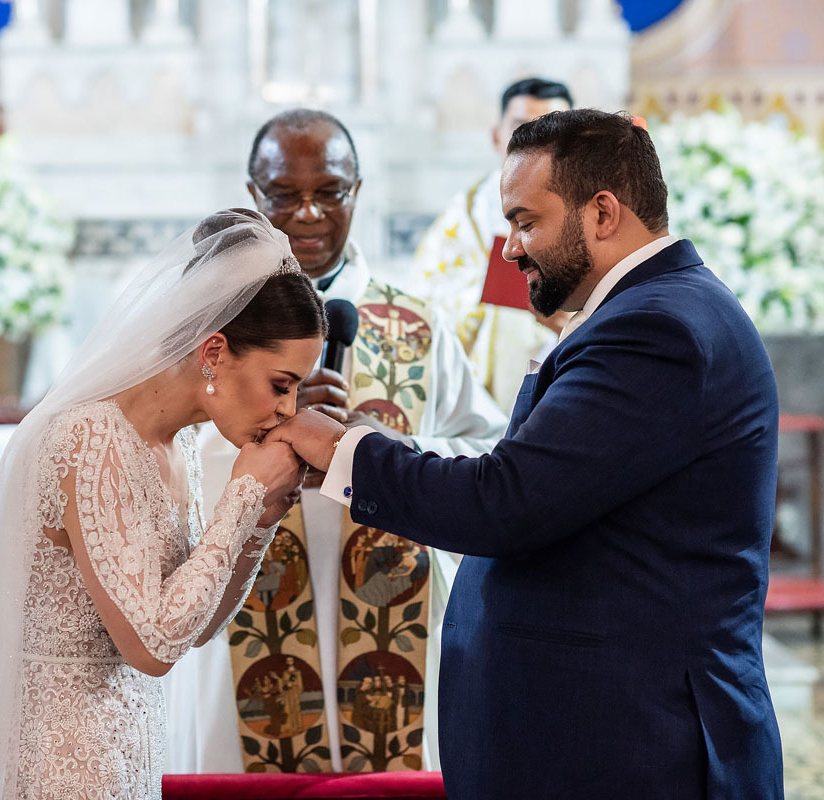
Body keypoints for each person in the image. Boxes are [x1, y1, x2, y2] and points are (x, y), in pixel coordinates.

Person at [270, 110, 785, 798]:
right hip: (603, 734)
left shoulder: (657, 329)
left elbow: (503, 501)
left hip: (633, 744)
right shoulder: (649, 313)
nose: (510, 249)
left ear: (602, 212)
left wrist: (341, 449)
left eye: (526, 221)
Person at [0, 209, 326, 799]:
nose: (288, 409)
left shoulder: (181, 444)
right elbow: (151, 646)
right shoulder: (91, 439)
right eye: (282, 384)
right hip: (60, 761)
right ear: (214, 352)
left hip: (131, 749)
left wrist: (259, 522)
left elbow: (194, 626)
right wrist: (243, 497)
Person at [181, 109, 506, 775]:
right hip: (247, 626)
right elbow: (168, 456)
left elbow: (490, 461)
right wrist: (265, 440)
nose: (307, 214)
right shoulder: (210, 331)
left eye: (329, 191)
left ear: (358, 190)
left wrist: (383, 450)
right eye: (283, 194)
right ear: (253, 194)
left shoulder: (414, 326)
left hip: (394, 625)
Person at [413, 77, 573, 409]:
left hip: (564, 373)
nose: (537, 144)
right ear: (497, 137)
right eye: (522, 130)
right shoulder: (465, 213)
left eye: (553, 132)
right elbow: (426, 299)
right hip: (474, 396)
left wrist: (568, 319)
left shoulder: (591, 214)